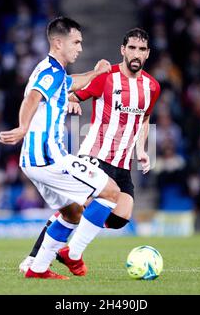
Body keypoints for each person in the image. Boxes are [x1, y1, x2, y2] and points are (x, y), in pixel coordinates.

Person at [19, 28, 161, 275]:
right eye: (132, 48)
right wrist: (71, 103)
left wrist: (142, 150)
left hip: (123, 164)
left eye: (142, 49)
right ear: (123, 50)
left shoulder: (152, 87)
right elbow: (70, 93)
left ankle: (66, 249)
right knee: (75, 209)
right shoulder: (106, 77)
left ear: (148, 53)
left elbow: (145, 119)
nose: (136, 53)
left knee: (120, 218)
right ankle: (37, 258)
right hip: (95, 157)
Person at [0, 16, 120, 280]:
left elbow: (73, 82)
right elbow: (33, 97)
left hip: (33, 162)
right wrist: (22, 126)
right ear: (57, 42)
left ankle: (38, 269)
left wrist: (96, 74)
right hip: (49, 157)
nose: (80, 48)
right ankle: (72, 254)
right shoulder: (50, 73)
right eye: (76, 42)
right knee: (111, 192)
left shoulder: (53, 72)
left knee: (72, 213)